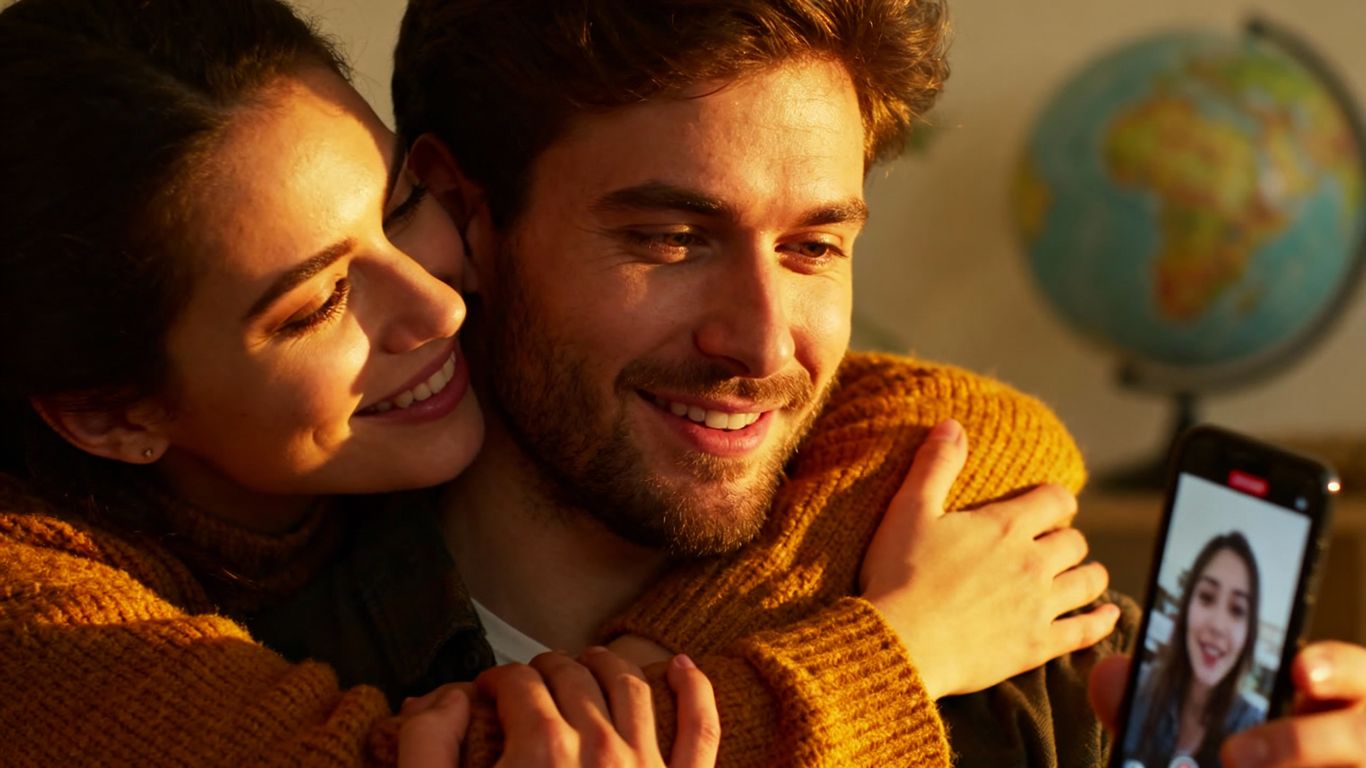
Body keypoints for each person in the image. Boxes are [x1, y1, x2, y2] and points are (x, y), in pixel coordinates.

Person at [373, 0, 1366, 765]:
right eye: (671, 239)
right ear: (462, 213)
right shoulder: (302, 677)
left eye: (813, 247)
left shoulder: (1043, 644)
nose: (764, 344)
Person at [0, 0, 718, 765]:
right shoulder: (37, 624)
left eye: (403, 207)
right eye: (320, 303)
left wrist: (652, 656)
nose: (440, 307)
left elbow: (820, 450)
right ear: (113, 416)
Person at [1121, 533, 1265, 767]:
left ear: (1249, 633)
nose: (1217, 625)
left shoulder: (1255, 729)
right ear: (1187, 605)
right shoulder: (1141, 689)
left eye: (1237, 610)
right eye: (1206, 597)